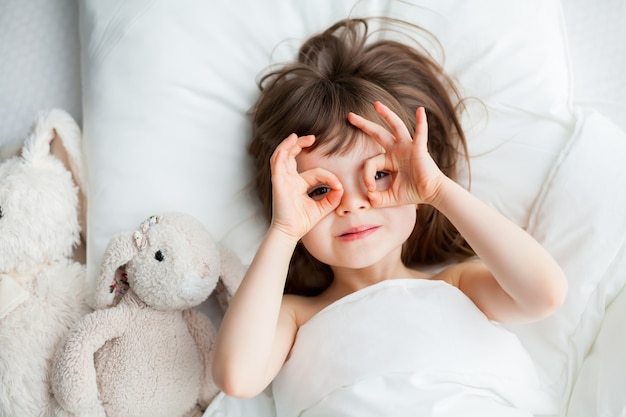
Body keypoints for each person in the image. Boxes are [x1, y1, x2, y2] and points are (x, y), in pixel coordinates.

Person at [212, 17, 567, 415]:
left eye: (380, 175)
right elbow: (237, 376)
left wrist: (438, 190)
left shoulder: (458, 285)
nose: (353, 204)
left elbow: (545, 293)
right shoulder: (297, 317)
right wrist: (283, 230)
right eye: (320, 190)